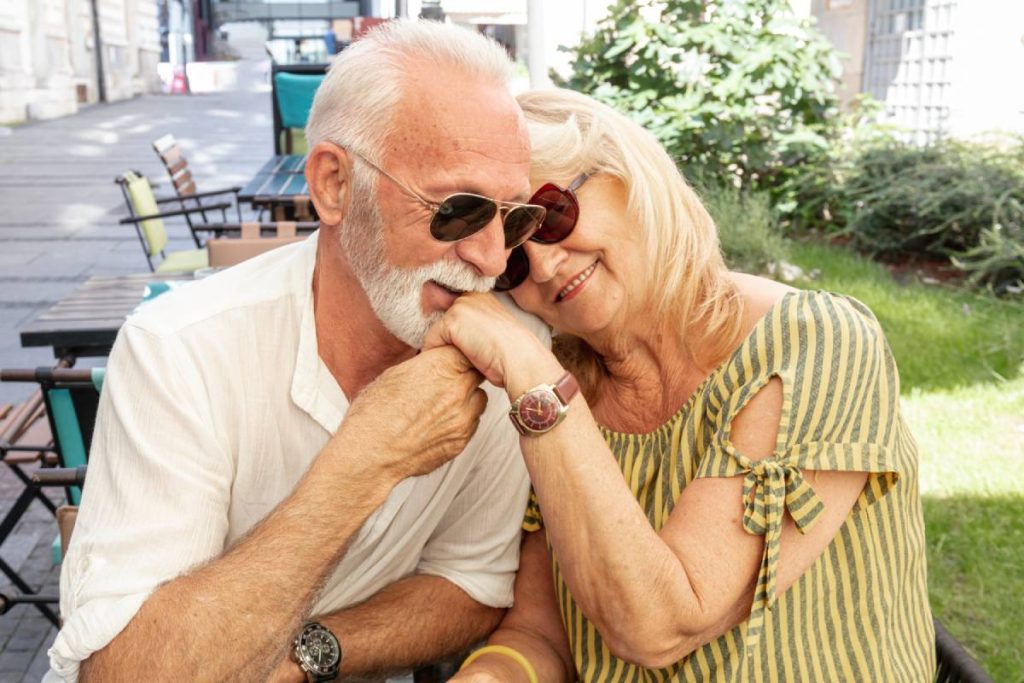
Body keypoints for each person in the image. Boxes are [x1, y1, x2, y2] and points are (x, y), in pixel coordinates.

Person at [45, 20, 551, 683]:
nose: (492, 258)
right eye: (458, 210)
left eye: (516, 217)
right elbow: (124, 673)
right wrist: (365, 461)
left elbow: (472, 582)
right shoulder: (181, 349)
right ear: (334, 185)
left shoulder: (510, 353)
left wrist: (312, 652)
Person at [431, 88, 936, 682]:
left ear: (629, 176)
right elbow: (542, 635)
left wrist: (534, 378)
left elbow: (662, 624)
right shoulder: (558, 388)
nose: (542, 265)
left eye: (548, 216)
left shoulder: (813, 343)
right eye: (510, 260)